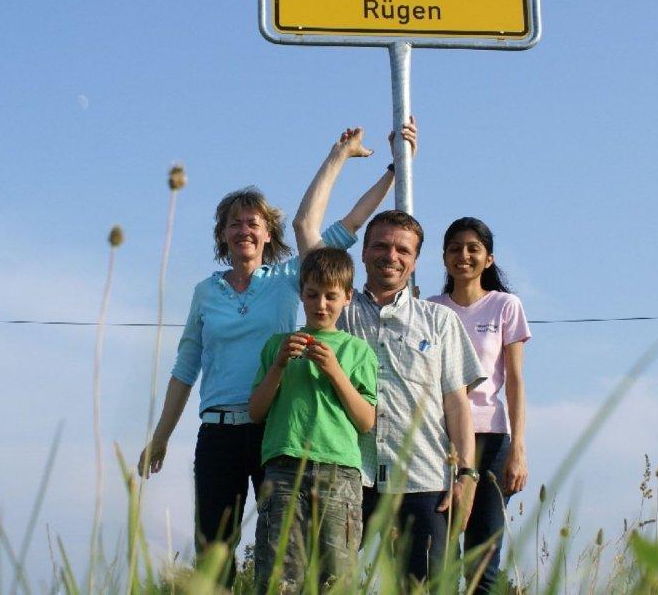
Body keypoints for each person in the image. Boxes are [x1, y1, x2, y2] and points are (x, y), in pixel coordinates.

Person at [136, 123, 415, 585]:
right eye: (234, 223)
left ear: (268, 234)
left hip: (273, 430)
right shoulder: (206, 293)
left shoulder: (290, 276)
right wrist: (162, 434)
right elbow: (186, 367)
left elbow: (345, 225)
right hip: (220, 431)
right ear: (221, 235)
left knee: (282, 554)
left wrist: (386, 169)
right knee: (216, 551)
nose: (244, 230)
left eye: (253, 223)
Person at [296, 198, 487, 584]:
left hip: (423, 478)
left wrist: (467, 473)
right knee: (327, 584)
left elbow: (457, 403)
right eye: (381, 246)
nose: (391, 256)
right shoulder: (335, 310)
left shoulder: (440, 321)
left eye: (403, 249)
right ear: (363, 252)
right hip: (350, 474)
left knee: (421, 587)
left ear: (415, 261)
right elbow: (305, 228)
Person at [248, 247, 377, 593]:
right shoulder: (277, 345)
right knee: (277, 578)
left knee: (335, 579)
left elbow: (366, 421)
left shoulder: (357, 351)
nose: (321, 304)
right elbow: (256, 411)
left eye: (331, 296)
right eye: (312, 294)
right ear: (301, 294)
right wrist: (277, 366)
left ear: (347, 297)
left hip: (339, 472)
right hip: (283, 469)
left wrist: (335, 371)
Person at [427, 217, 531, 595]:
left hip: (490, 438)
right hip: (438, 441)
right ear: (443, 257)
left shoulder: (506, 306)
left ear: (489, 259)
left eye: (473, 249)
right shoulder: (431, 308)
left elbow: (516, 382)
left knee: (483, 559)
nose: (463, 256)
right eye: (455, 248)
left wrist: (517, 449)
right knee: (437, 553)